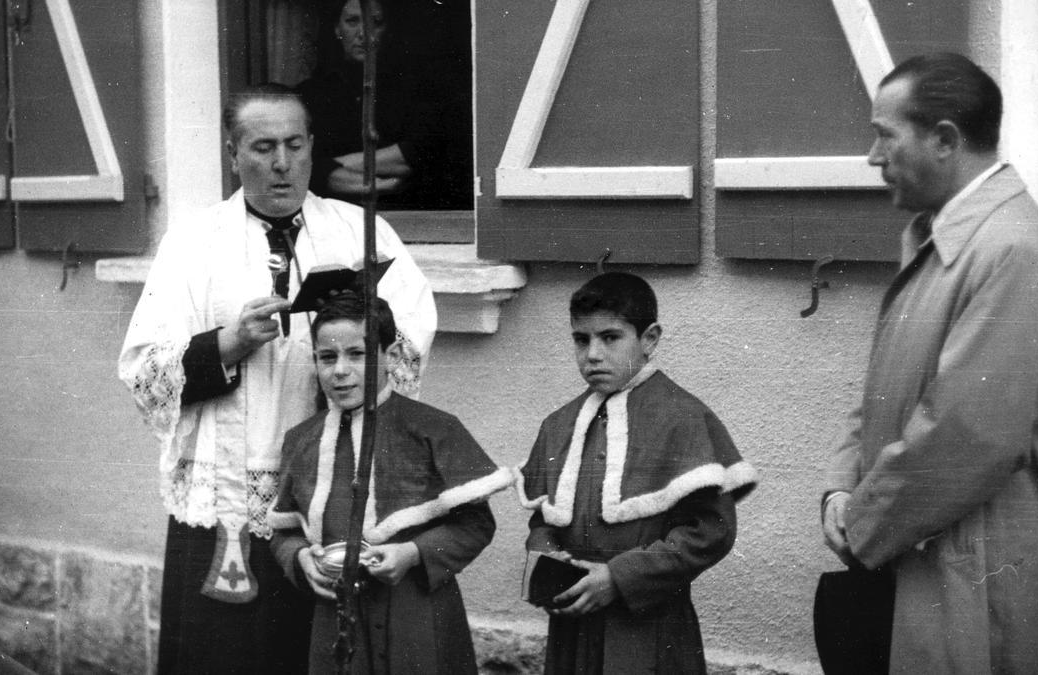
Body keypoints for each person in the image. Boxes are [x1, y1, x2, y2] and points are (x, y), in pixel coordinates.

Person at [118, 84, 437, 673]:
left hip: (333, 493)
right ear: (232, 153)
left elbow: (409, 345)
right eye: (263, 147)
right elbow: (144, 372)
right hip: (229, 500)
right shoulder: (193, 243)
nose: (282, 163)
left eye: (295, 144)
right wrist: (230, 343)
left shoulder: (360, 232)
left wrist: (355, 333)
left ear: (313, 146)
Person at [821, 53, 1038, 673]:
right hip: (929, 573)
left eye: (884, 136)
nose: (873, 158)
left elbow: (967, 437)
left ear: (945, 140)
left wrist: (860, 523)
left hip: (983, 598)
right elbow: (879, 393)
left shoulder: (1011, 252)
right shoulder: (946, 242)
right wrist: (840, 487)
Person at [516, 272, 758, 674]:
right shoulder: (559, 424)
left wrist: (620, 577)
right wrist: (546, 555)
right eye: (581, 339)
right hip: (574, 619)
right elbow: (543, 518)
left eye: (610, 338)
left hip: (648, 622)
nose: (593, 354)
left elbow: (711, 530)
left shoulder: (683, 417)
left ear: (649, 339)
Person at [268, 292, 511, 673]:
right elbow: (282, 532)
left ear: (392, 356)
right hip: (336, 619)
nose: (340, 371)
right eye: (327, 357)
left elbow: (476, 524)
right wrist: (299, 558)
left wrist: (412, 553)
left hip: (416, 614)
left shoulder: (433, 429)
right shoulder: (301, 440)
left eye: (358, 354)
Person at [297, 0, 473, 210]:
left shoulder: (417, 88)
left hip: (407, 215)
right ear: (337, 29)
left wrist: (329, 168)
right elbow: (298, 164)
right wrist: (382, 185)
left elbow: (418, 153)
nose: (364, 33)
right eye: (352, 21)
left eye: (376, 22)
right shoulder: (310, 94)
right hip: (330, 215)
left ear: (388, 30)